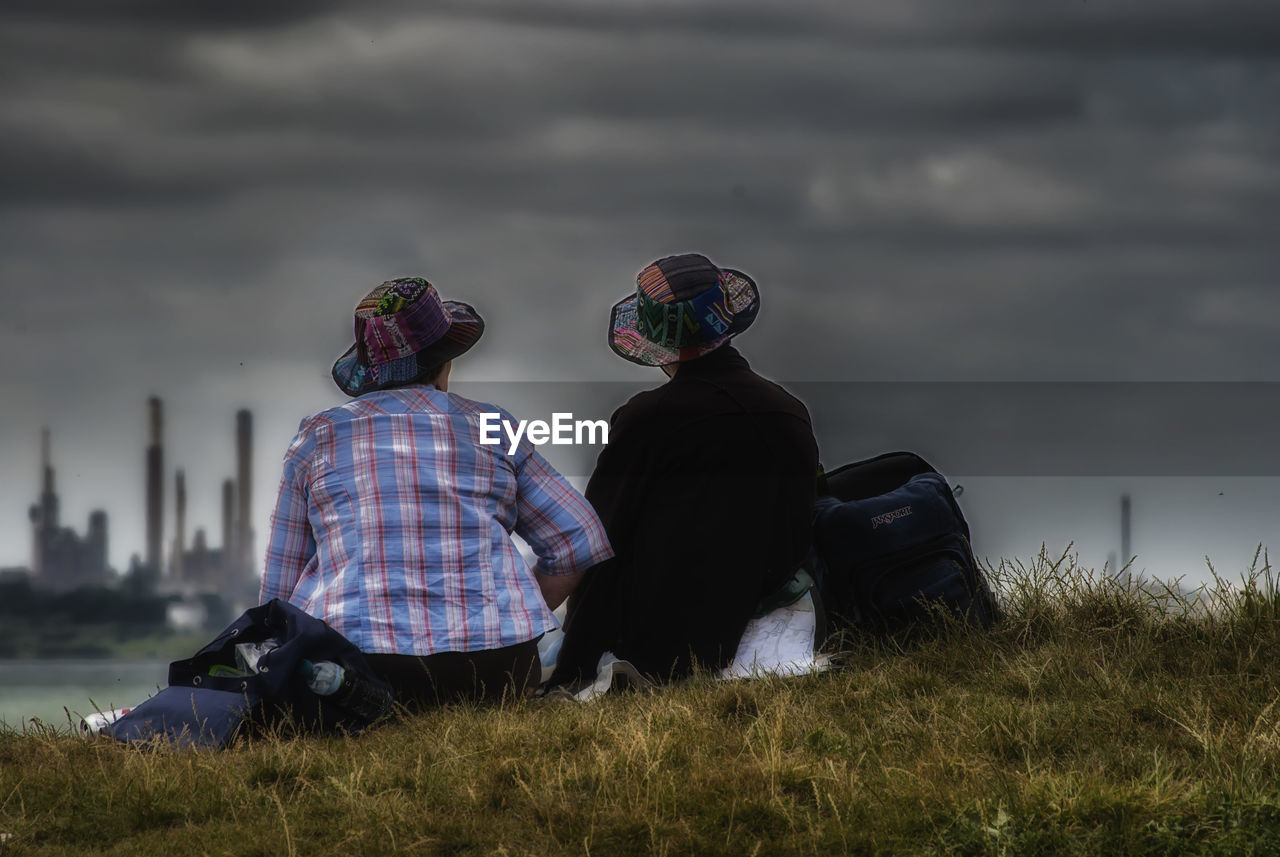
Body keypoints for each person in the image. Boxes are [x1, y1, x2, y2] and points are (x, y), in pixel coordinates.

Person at [261, 277, 613, 709]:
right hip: (494, 669)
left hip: (359, 670)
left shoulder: (320, 436)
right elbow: (580, 538)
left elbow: (279, 591)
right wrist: (509, 619)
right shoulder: (492, 426)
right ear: (443, 362)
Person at [550, 253, 820, 685]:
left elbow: (599, 548)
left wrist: (573, 668)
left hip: (663, 643)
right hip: (770, 618)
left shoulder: (647, 418)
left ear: (657, 344)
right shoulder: (790, 412)